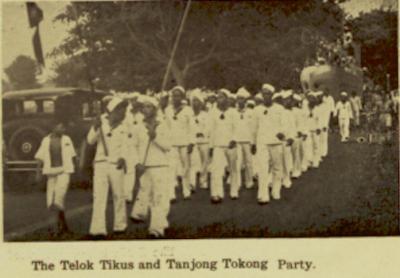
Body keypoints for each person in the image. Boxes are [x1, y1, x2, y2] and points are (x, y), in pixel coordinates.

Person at [87, 97, 130, 239]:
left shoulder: (124, 126)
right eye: (121, 110)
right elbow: (90, 141)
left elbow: (126, 146)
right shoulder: (101, 123)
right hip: (100, 163)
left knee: (119, 195)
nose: (124, 113)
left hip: (116, 164)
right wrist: (95, 127)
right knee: (99, 196)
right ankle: (98, 229)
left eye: (124, 110)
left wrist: (123, 158)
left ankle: (120, 225)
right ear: (114, 111)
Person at [130, 95, 172, 238]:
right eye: (143, 107)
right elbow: (134, 147)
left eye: (149, 107)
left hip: (160, 165)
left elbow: (167, 146)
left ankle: (156, 228)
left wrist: (155, 137)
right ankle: (160, 221)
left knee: (159, 197)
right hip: (144, 167)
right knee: (147, 196)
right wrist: (137, 163)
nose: (145, 109)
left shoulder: (163, 125)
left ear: (155, 110)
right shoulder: (138, 127)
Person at [35, 120, 76, 236]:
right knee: (51, 203)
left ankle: (58, 228)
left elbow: (73, 156)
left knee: (58, 200)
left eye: (65, 128)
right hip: (51, 173)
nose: (64, 130)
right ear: (54, 126)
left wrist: (76, 170)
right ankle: (64, 226)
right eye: (62, 127)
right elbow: (40, 158)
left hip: (64, 171)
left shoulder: (67, 139)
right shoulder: (46, 140)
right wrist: (38, 173)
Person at [253, 84, 286, 204]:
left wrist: (282, 133)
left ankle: (276, 190)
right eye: (263, 93)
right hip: (262, 142)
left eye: (268, 94)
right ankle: (263, 195)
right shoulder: (257, 110)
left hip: (276, 142)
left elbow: (284, 124)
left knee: (277, 168)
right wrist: (253, 142)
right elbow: (254, 127)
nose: (265, 96)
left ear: (272, 95)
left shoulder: (279, 109)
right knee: (263, 168)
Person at [208, 88, 239, 203]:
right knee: (216, 169)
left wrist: (234, 139)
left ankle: (234, 191)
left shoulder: (233, 112)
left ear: (227, 99)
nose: (219, 100)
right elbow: (211, 130)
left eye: (222, 97)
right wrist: (211, 146)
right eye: (218, 97)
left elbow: (237, 127)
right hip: (218, 144)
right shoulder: (213, 112)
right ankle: (216, 193)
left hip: (231, 144)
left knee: (233, 168)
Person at [165, 86, 195, 200]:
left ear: (182, 97)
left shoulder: (188, 110)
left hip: (185, 142)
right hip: (172, 142)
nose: (175, 98)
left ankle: (186, 190)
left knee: (186, 167)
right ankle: (171, 193)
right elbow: (166, 127)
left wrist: (191, 142)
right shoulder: (167, 110)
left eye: (177, 95)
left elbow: (192, 127)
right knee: (171, 167)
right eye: (173, 95)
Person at [123, 92, 143, 202]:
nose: (133, 102)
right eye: (131, 100)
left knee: (142, 168)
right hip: (130, 144)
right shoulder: (127, 114)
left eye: (135, 100)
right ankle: (128, 194)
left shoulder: (143, 114)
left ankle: (142, 194)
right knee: (130, 168)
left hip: (141, 143)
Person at [190, 89, 211, 189]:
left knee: (204, 162)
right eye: (193, 101)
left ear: (201, 103)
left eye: (197, 101)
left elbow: (209, 128)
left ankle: (203, 181)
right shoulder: (189, 114)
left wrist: (202, 133)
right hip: (193, 141)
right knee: (193, 162)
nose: (195, 103)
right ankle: (192, 183)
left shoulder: (206, 115)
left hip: (204, 141)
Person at [235, 87, 256, 189]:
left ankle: (249, 181)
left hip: (247, 140)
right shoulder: (233, 112)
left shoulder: (251, 112)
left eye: (242, 99)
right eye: (238, 99)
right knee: (237, 162)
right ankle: (237, 183)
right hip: (237, 140)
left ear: (246, 100)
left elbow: (253, 128)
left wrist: (253, 142)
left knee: (248, 162)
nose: (240, 101)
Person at [280, 90, 295, 188]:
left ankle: (286, 179)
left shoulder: (290, 113)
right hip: (276, 140)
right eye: (285, 100)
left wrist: (291, 138)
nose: (287, 102)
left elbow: (292, 126)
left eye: (288, 100)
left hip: (286, 139)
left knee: (286, 161)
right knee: (275, 162)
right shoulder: (278, 111)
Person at [291, 93, 306, 178]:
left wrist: (300, 131)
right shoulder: (288, 111)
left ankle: (297, 170)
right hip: (289, 134)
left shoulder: (299, 111)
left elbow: (301, 123)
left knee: (296, 153)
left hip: (296, 134)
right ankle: (293, 168)